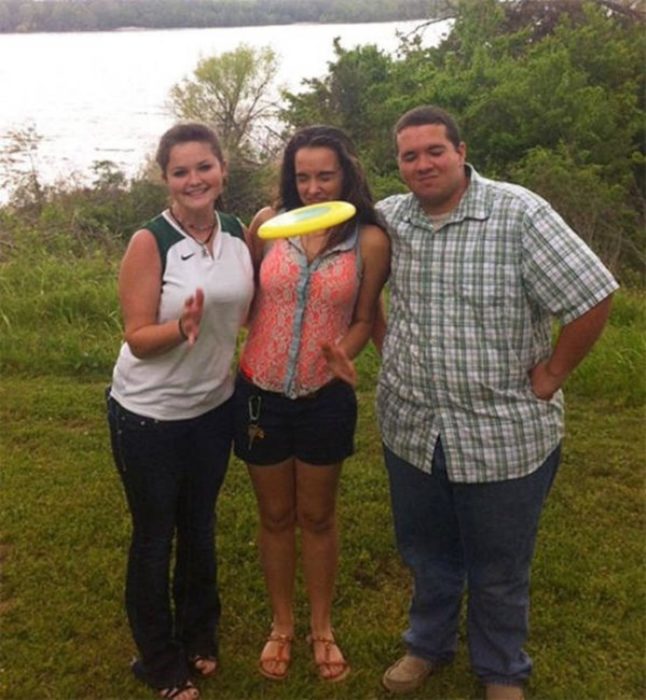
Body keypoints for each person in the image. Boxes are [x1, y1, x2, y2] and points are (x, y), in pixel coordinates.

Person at [374, 106, 619, 700]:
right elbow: (334, 263)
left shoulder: (520, 214)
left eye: (435, 150)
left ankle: (502, 668)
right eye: (410, 155)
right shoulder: (387, 219)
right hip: (412, 427)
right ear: (399, 164)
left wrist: (555, 372)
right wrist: (385, 344)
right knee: (427, 551)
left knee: (499, 566)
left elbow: (593, 294)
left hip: (502, 433)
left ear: (461, 151)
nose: (423, 164)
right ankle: (426, 645)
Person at [233, 125, 390, 683]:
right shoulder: (267, 226)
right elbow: (242, 296)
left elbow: (365, 318)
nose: (314, 187)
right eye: (303, 176)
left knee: (317, 516)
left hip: (326, 397)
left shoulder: (368, 238)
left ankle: (322, 628)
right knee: (275, 516)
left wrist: (345, 355)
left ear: (346, 173)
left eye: (325, 175)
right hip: (260, 392)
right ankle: (282, 626)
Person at [106, 122, 254, 700]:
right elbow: (139, 336)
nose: (194, 179)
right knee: (154, 534)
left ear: (222, 170)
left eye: (204, 167)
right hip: (148, 414)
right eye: (180, 171)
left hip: (213, 408)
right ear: (165, 178)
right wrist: (180, 329)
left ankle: (199, 635)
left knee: (200, 526)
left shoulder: (241, 232)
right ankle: (160, 662)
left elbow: (249, 306)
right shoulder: (152, 241)